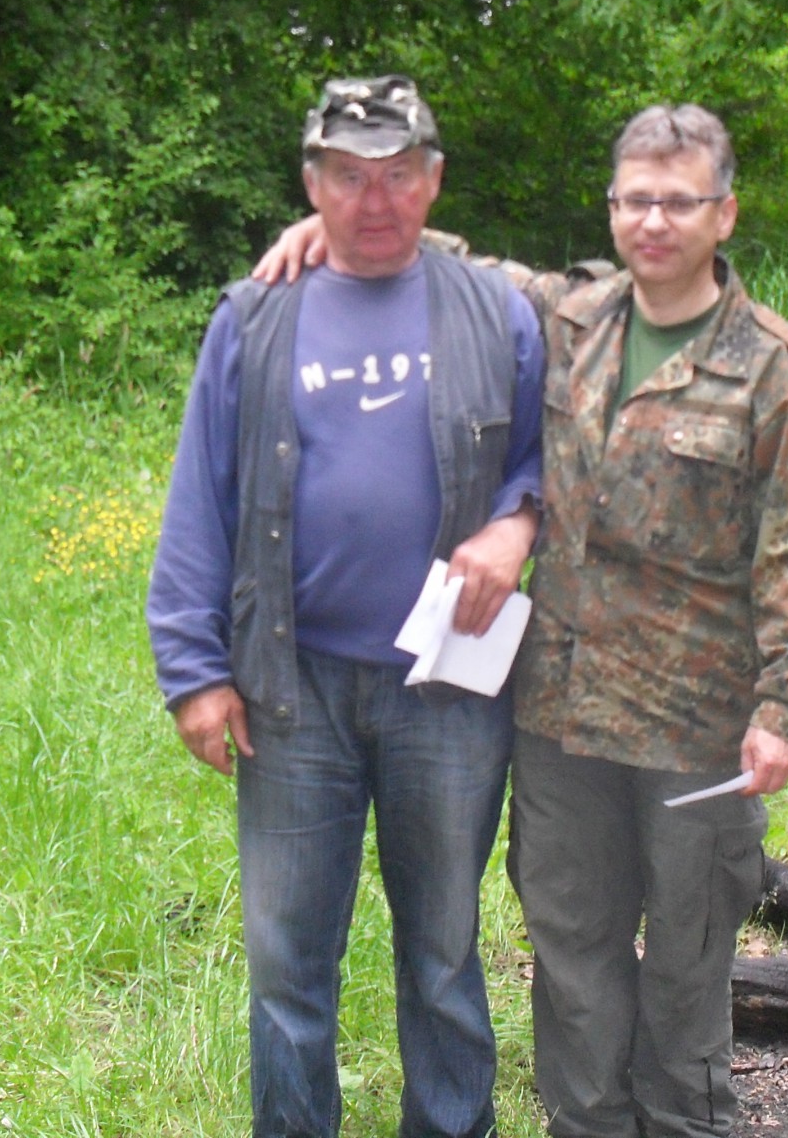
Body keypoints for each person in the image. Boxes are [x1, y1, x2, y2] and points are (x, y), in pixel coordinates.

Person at [256, 102, 788, 1138]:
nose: (654, 221)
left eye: (679, 202)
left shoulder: (772, 366)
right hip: (562, 719)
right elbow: (458, 266)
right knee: (572, 958)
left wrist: (786, 707)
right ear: (612, 209)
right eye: (636, 200)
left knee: (686, 962)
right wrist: (339, 224)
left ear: (724, 214)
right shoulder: (569, 317)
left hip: (698, 726)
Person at [147, 74, 546, 1138]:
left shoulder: (497, 310)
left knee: (445, 953)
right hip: (292, 692)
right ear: (311, 182)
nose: (377, 200)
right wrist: (193, 671)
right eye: (349, 176)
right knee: (288, 966)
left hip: (448, 691)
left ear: (435, 180)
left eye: (399, 174)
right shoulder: (255, 318)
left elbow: (550, 453)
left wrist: (519, 522)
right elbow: (201, 498)